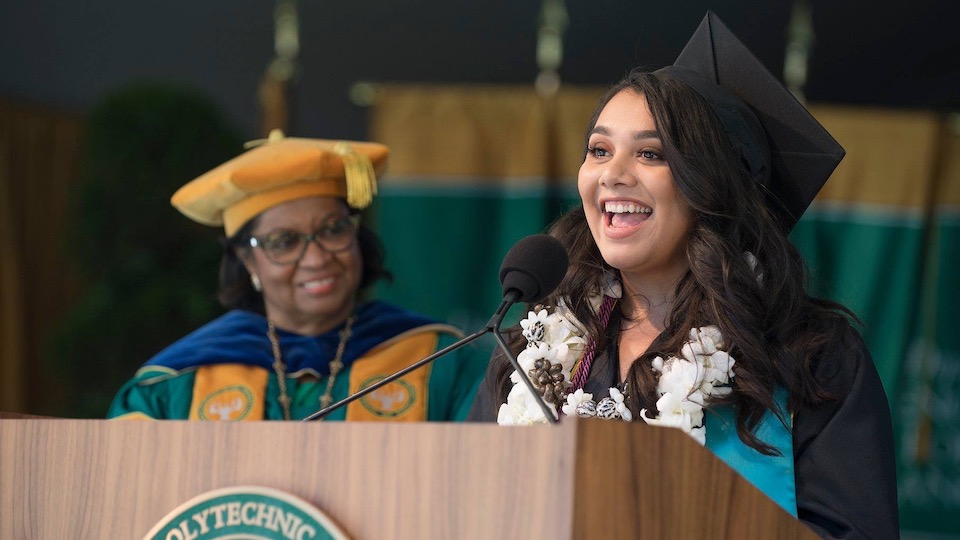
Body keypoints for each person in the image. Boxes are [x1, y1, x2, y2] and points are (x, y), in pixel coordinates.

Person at [467, 13, 898, 539]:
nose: (612, 174)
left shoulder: (811, 358)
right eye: (599, 150)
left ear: (715, 186)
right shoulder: (527, 354)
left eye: (651, 154)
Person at [108, 130, 486, 422]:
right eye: (283, 242)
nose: (317, 258)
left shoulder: (438, 361)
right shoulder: (173, 384)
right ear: (248, 260)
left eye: (333, 229)